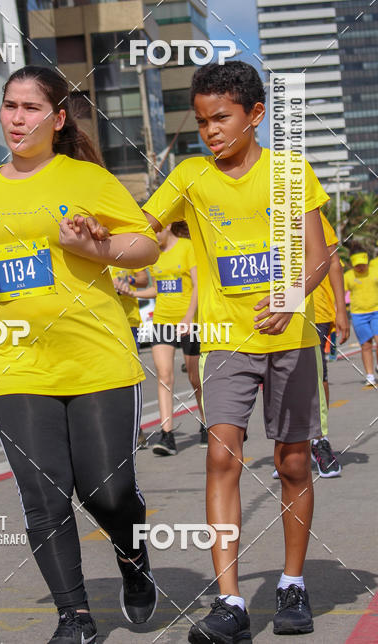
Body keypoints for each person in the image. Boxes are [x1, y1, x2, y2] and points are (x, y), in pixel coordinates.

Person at [0, 66, 159, 644]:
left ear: (57, 120)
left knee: (106, 492)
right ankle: (74, 617)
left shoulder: (87, 179)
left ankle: (133, 559)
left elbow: (145, 245)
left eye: (31, 108)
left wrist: (94, 245)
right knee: (44, 494)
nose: (17, 118)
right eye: (10, 106)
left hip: (96, 357)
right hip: (15, 364)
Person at [142, 61, 330, 643]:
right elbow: (144, 230)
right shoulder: (191, 177)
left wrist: (293, 295)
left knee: (292, 461)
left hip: (291, 339)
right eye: (201, 122)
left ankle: (292, 585)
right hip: (225, 342)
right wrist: (97, 236)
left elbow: (319, 256)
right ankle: (230, 602)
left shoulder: (289, 171)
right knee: (221, 457)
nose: (210, 131)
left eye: (221, 118)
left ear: (255, 114)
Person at [134, 221, 204, 454]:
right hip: (162, 321)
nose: (153, 235)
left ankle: (206, 424)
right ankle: (167, 436)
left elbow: (197, 285)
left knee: (195, 378)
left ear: (168, 226)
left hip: (188, 322)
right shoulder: (154, 256)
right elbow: (159, 289)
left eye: (155, 230)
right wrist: (132, 292)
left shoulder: (186, 247)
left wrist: (188, 317)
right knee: (164, 375)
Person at [309, 212, 349, 476]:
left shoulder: (312, 213)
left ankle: (319, 439)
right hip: (276, 307)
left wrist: (341, 310)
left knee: (317, 376)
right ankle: (291, 447)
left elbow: (333, 261)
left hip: (317, 310)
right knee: (282, 380)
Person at [109, 266, 150, 448]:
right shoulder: (89, 245)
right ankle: (113, 428)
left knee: (129, 374)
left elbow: (143, 280)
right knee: (107, 376)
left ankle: (136, 427)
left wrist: (128, 282)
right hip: (101, 320)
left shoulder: (125, 240)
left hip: (128, 321)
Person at [343, 247, 378, 387]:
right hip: (358, 315)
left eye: (362, 264)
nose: (360, 267)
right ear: (352, 264)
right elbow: (341, 294)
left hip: (376, 311)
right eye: (357, 265)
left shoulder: (375, 271)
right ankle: (370, 375)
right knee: (366, 345)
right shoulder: (348, 276)